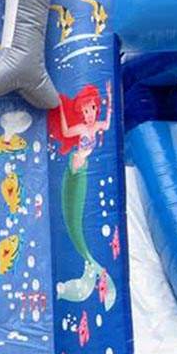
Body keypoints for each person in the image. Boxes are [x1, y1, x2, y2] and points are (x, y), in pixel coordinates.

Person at [47, 81, 116, 310]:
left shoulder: (95, 127)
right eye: (85, 111)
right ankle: (90, 266)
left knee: (77, 217)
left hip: (83, 167)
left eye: (92, 109)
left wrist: (109, 96)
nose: (89, 114)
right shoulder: (82, 130)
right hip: (76, 164)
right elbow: (67, 131)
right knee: (73, 214)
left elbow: (108, 122)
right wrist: (62, 109)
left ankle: (90, 268)